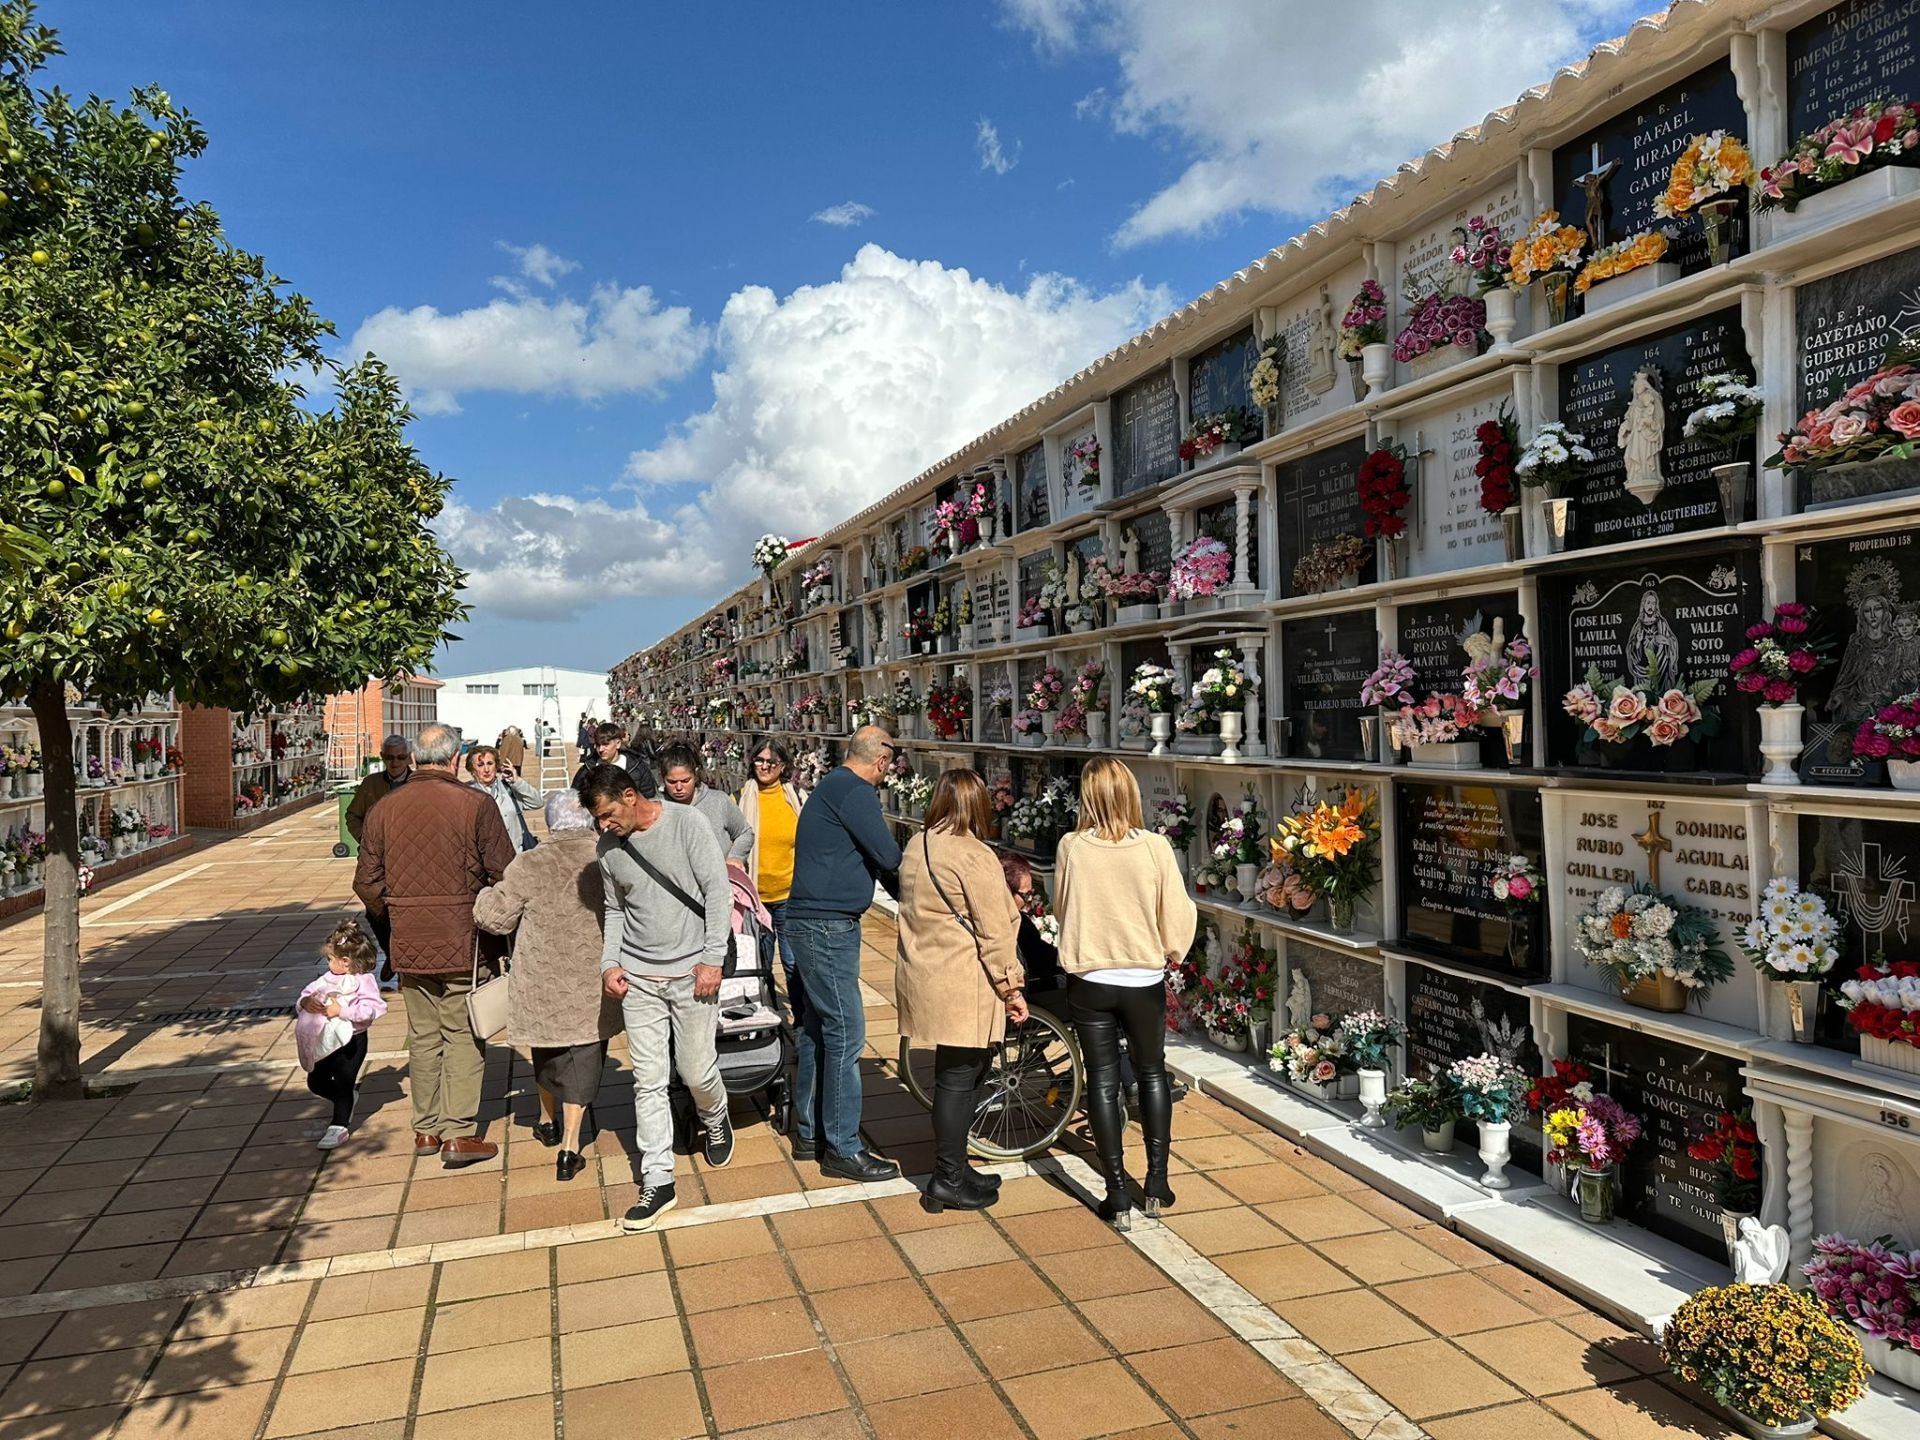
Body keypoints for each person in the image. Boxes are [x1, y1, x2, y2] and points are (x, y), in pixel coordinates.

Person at [577, 763, 735, 1231]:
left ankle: (715, 1114)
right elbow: (615, 908)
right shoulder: (609, 848)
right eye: (596, 819)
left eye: (607, 814)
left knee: (696, 1070)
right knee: (648, 1080)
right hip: (640, 979)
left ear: (629, 796)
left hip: (691, 973)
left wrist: (712, 959)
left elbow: (716, 891)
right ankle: (658, 1177)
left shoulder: (688, 824)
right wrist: (610, 963)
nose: (603, 826)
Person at [353, 722, 516, 1168]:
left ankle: (425, 1129)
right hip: (463, 938)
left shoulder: (384, 808)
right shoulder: (475, 804)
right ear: (455, 759)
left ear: (416, 759)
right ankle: (458, 1133)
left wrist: (395, 917)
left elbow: (366, 883)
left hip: (409, 939)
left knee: (423, 1037)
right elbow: (506, 873)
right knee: (461, 1034)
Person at [1054, 757, 1196, 1230]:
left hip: (1091, 977)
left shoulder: (1072, 846)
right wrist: (1173, 949)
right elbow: (1177, 908)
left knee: (1101, 1080)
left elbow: (1063, 904)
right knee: (1152, 1073)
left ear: (1087, 796)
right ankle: (1157, 1181)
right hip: (1142, 976)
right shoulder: (1154, 847)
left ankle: (1116, 1191)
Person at [895, 770, 1025, 1212]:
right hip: (963, 979)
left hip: (927, 973)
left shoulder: (919, 843)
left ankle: (957, 1167)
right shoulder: (973, 854)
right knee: (958, 1079)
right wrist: (1012, 988)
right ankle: (946, 1178)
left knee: (959, 1075)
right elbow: (995, 930)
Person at [474, 791, 620, 1181]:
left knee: (547, 1048)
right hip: (593, 975)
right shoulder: (606, 858)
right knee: (586, 1053)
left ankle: (546, 1119)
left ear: (550, 823)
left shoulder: (530, 862)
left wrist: (483, 893)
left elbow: (496, 919)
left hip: (542, 976)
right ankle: (571, 1145)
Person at [783, 725, 902, 1181]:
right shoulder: (855, 792)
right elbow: (888, 856)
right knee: (848, 1032)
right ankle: (843, 1147)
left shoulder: (831, 785)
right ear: (882, 761)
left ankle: (810, 1132)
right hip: (827, 925)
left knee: (817, 1029)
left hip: (813, 921)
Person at [294, 919, 388, 1150]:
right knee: (315, 1081)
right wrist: (305, 1002)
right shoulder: (326, 978)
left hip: (352, 1042)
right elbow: (307, 993)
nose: (328, 963)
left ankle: (339, 1125)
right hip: (325, 1039)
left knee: (345, 1080)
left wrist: (343, 1011)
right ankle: (343, 1098)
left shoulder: (364, 982)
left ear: (346, 962)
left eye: (331, 958)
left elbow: (372, 1009)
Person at [344, 735, 414, 990]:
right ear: (382, 757)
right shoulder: (371, 784)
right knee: (375, 909)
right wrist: (366, 839)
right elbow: (352, 815)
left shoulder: (418, 783)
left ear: (409, 757)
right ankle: (392, 952)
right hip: (378, 862)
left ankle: (404, 964)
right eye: (389, 757)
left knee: (406, 912)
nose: (395, 763)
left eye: (400, 757)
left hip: (410, 861)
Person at [738, 738, 803, 990]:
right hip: (755, 898)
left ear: (783, 765)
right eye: (759, 760)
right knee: (760, 962)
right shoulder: (740, 799)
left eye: (771, 762)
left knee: (792, 962)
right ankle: (766, 1016)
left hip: (789, 894)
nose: (764, 767)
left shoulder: (796, 798)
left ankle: (800, 1022)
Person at [658, 742, 753, 863]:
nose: (679, 787)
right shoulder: (656, 807)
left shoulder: (719, 801)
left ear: (696, 774)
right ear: (662, 778)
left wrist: (735, 857)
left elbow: (744, 832)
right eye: (671, 782)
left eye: (685, 780)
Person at [466, 744, 543, 851]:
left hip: (515, 857)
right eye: (480, 765)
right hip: (486, 860)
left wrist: (517, 782)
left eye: (490, 763)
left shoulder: (508, 788)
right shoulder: (467, 793)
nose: (486, 769)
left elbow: (537, 802)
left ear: (496, 766)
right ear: (472, 770)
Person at [572, 721, 659, 798]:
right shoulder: (587, 769)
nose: (601, 749)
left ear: (618, 744)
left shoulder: (637, 767)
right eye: (598, 745)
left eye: (605, 744)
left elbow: (649, 797)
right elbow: (573, 797)